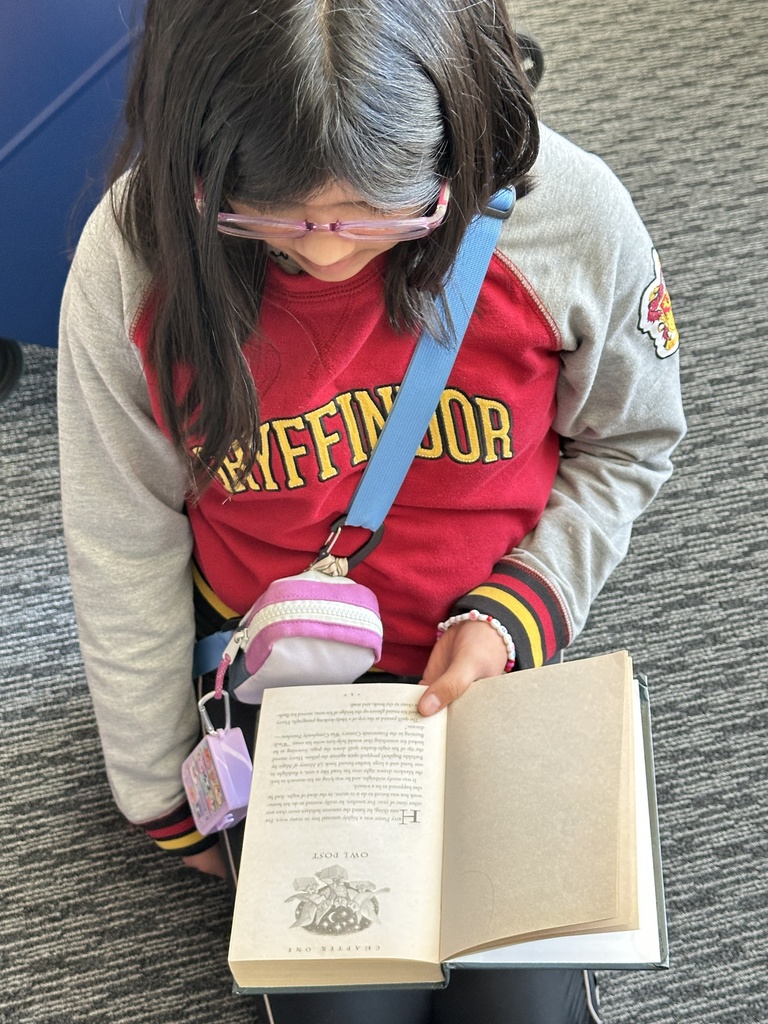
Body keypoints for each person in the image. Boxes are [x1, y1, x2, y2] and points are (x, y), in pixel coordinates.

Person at [58, 1, 685, 1021]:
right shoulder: (134, 258)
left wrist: (520, 608)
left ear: (461, 129)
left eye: (380, 215)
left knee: (526, 1001)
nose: (330, 252)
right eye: (278, 218)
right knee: (342, 1000)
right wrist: (165, 793)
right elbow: (119, 535)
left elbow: (633, 439)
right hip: (280, 683)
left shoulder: (568, 216)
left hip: (490, 665)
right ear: (197, 148)